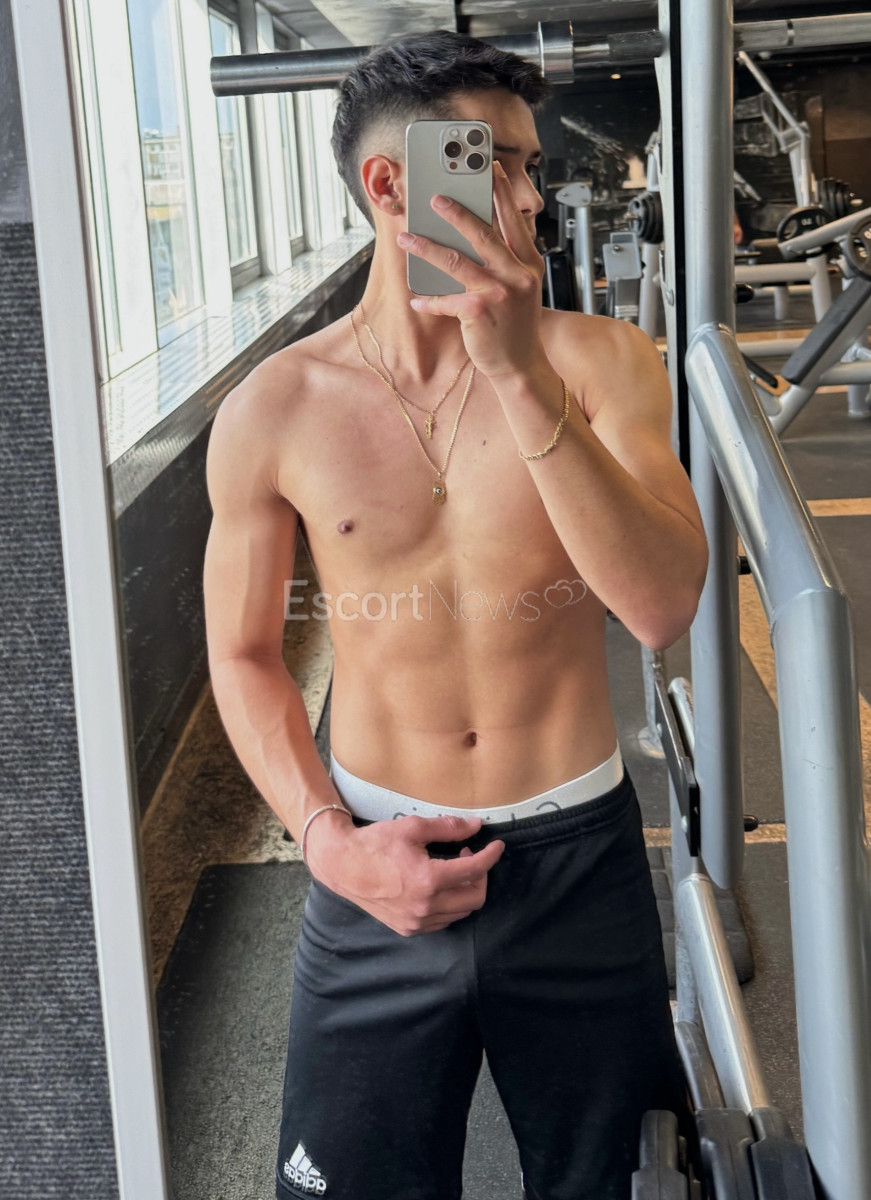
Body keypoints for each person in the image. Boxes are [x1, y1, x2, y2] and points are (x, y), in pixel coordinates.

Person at [203, 30, 708, 1200]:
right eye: (498, 163)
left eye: (531, 166)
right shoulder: (275, 408)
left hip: (576, 861)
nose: (531, 198)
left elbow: (660, 608)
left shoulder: (602, 362)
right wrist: (330, 846)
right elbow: (241, 654)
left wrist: (518, 372)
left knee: (610, 1183)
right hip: (372, 864)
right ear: (393, 184)